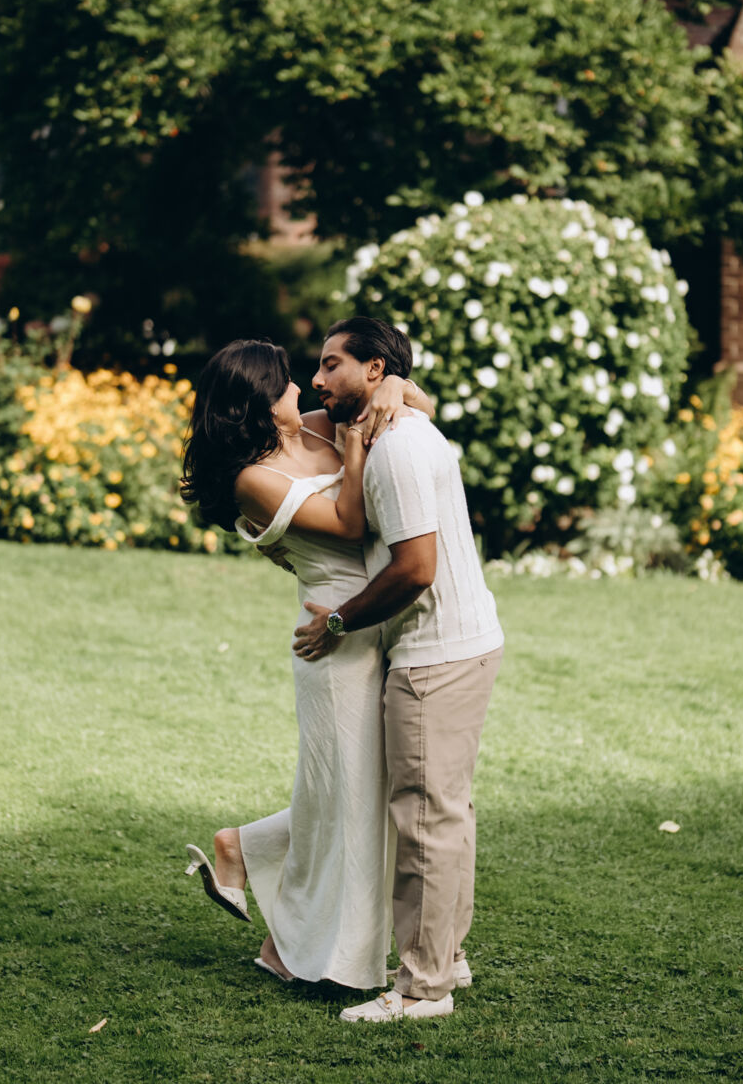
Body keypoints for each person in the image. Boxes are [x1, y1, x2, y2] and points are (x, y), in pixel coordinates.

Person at [176, 338, 433, 990]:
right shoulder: (252, 478)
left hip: (376, 621)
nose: (303, 387)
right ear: (261, 401)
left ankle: (245, 859)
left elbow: (418, 409)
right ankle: (297, 948)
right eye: (286, 382)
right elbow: (349, 524)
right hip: (332, 641)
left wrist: (394, 387)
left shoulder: (315, 427)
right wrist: (357, 442)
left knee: (361, 795)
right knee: (351, 799)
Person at [293, 317, 504, 1024]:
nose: (318, 380)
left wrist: (338, 621)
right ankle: (446, 957)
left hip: (434, 656)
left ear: (375, 370)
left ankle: (421, 989)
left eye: (332, 364)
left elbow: (416, 569)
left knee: (422, 821)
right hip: (461, 643)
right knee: (445, 812)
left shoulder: (397, 449)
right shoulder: (396, 426)